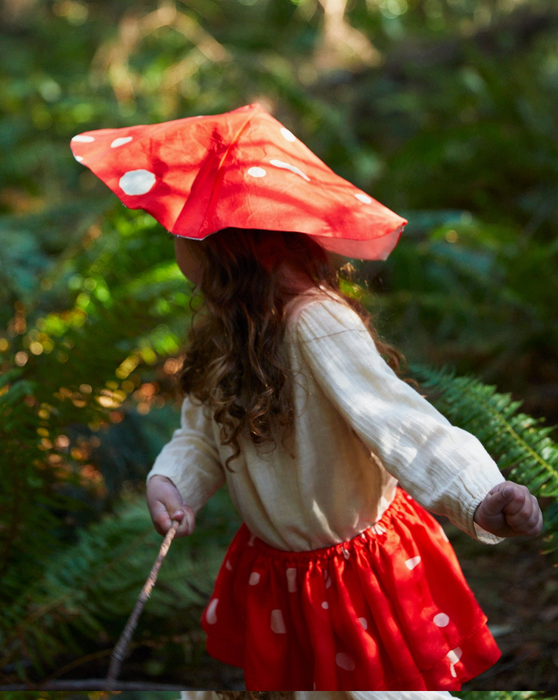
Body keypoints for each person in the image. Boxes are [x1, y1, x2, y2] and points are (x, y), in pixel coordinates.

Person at [70, 103, 543, 691]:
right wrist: (174, 482)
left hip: (356, 571)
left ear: (227, 248)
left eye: (182, 231)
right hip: (284, 573)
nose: (175, 244)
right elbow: (201, 433)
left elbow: (399, 422)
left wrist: (480, 492)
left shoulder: (315, 324)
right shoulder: (227, 333)